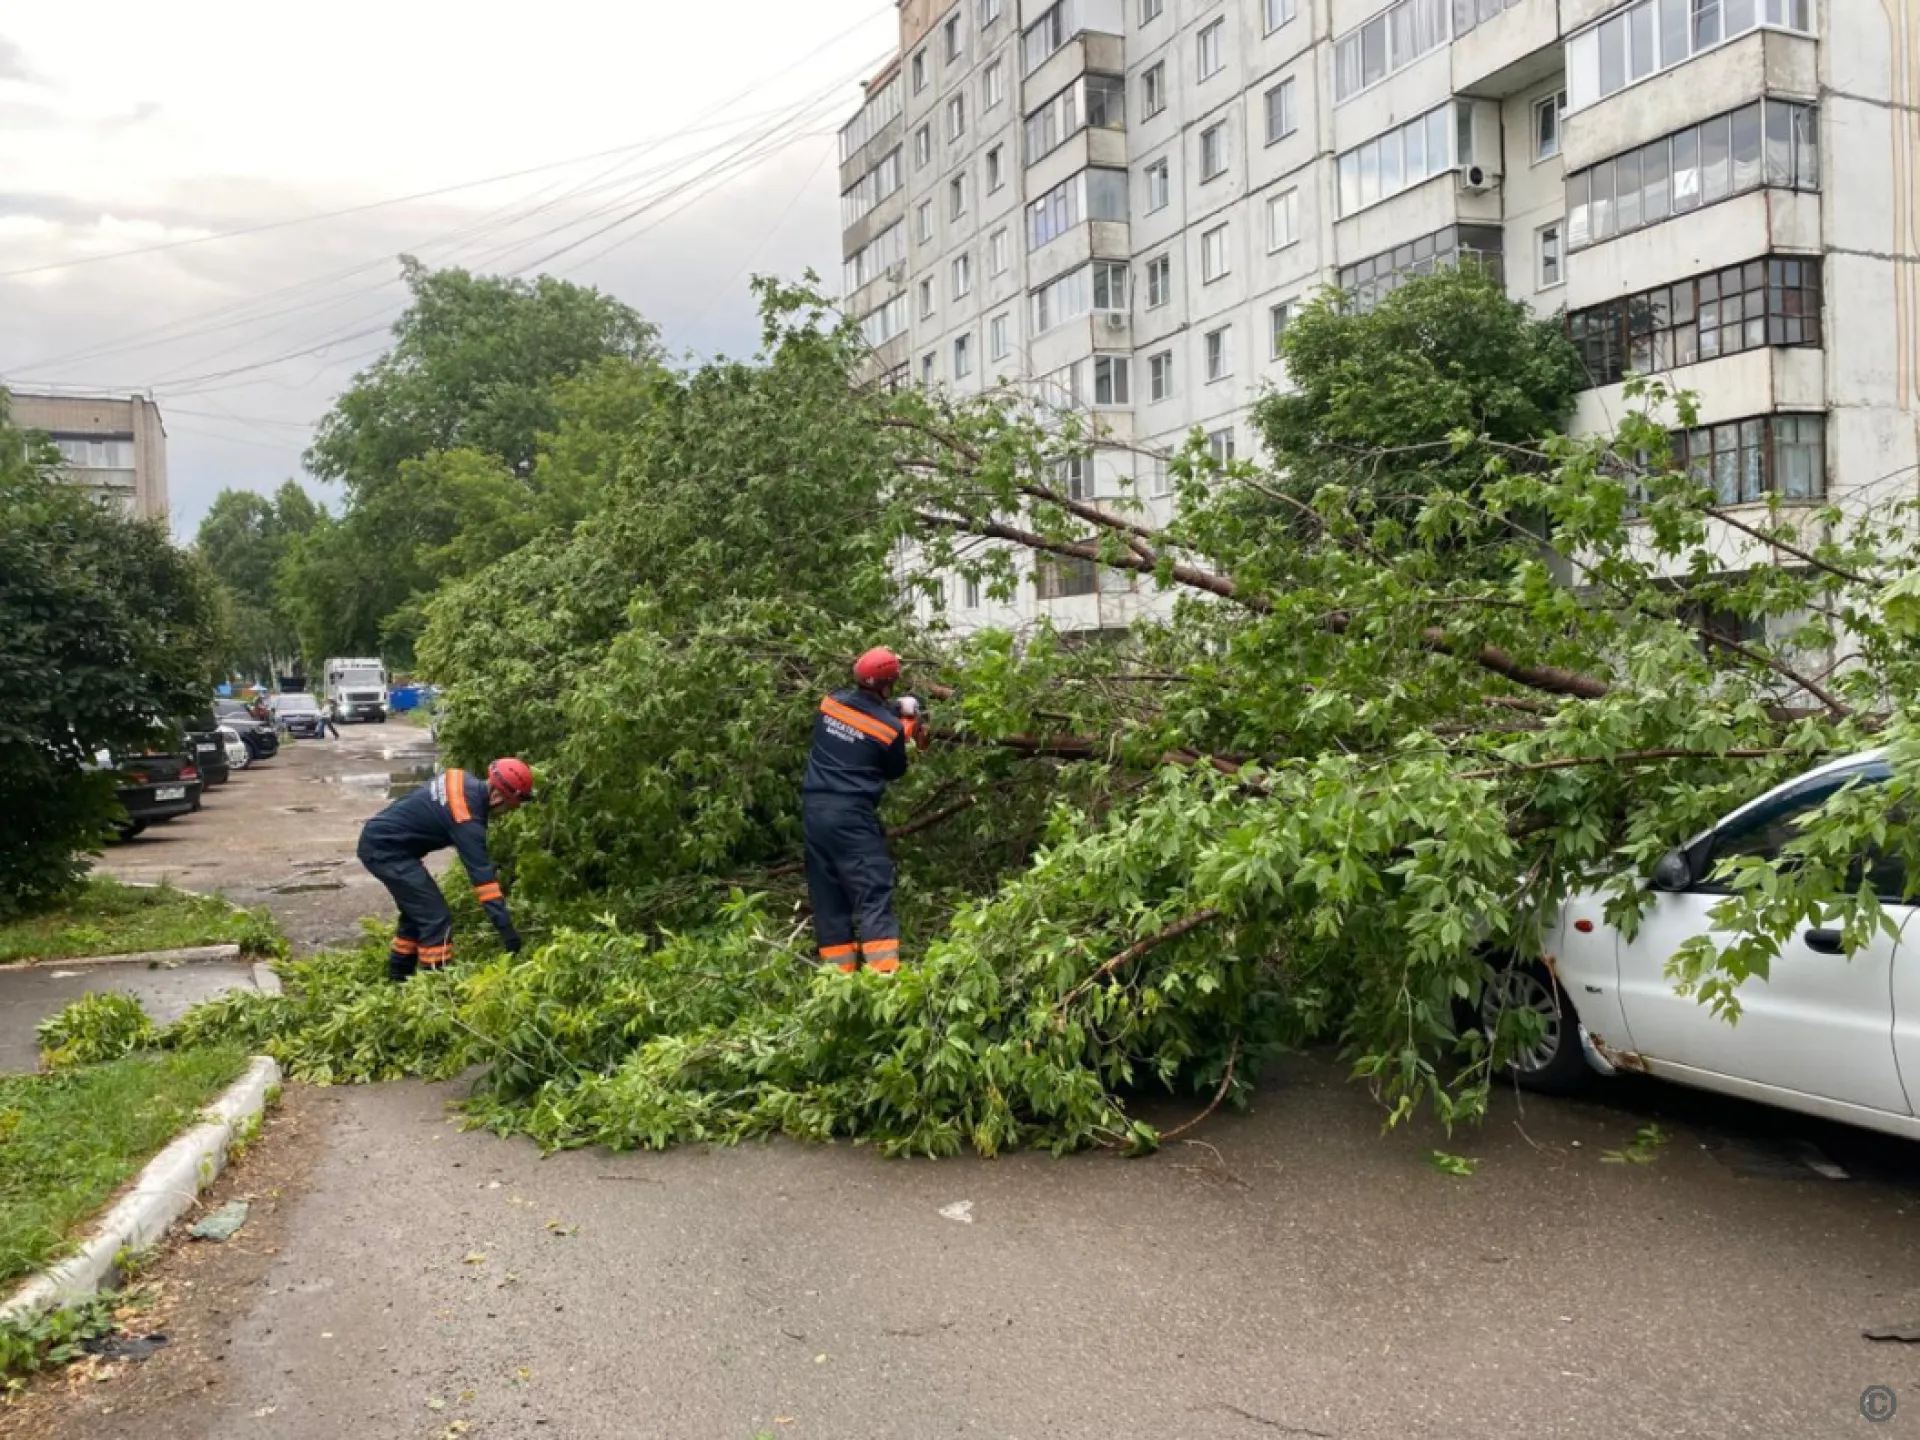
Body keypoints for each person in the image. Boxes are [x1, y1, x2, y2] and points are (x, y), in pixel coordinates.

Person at [800, 647, 927, 975]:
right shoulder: (889, 729)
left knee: (828, 896)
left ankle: (837, 985)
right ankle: (883, 981)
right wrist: (907, 722)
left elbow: (861, 718)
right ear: (890, 683)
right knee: (872, 891)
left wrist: (892, 710)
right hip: (850, 816)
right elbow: (894, 769)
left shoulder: (830, 703)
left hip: (814, 813)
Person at [356, 758, 534, 981]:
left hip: (383, 840)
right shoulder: (467, 820)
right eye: (510, 806)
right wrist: (508, 934)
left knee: (417, 914)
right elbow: (484, 883)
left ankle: (398, 979)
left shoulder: (459, 778)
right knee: (436, 918)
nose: (507, 812)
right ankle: (435, 986)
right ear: (498, 796)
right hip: (387, 852)